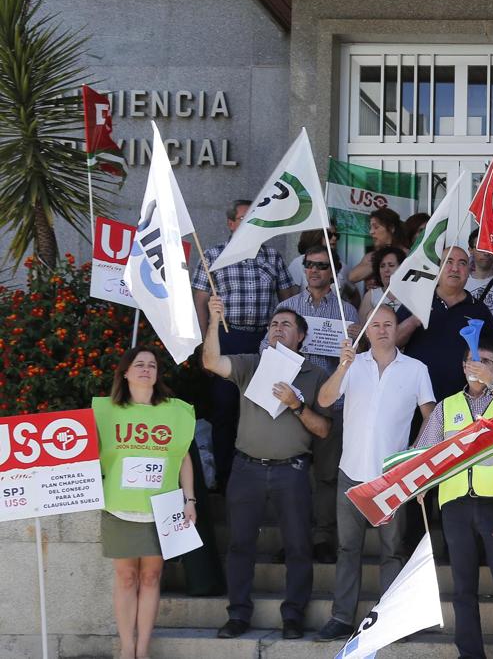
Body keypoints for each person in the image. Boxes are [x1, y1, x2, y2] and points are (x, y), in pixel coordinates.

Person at [203, 297, 332, 640]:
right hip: (247, 469)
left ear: (301, 337)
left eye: (286, 325)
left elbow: (323, 429)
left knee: (299, 547)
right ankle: (238, 614)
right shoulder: (251, 363)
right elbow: (211, 361)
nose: (277, 329)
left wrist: (296, 404)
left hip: (292, 471)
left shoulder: (315, 374)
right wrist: (214, 321)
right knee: (240, 545)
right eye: (274, 325)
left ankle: (293, 617)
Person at [312, 305, 436, 642]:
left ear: (397, 329)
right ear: (366, 331)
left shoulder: (416, 369)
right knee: (347, 549)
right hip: (350, 471)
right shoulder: (353, 365)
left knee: (392, 550)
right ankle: (341, 618)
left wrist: (413, 457)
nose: (382, 330)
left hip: (391, 477)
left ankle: (390, 618)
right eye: (376, 325)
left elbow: (431, 417)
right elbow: (324, 400)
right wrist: (342, 367)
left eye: (388, 324)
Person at [412, 340, 493, 659]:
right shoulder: (446, 406)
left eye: (486, 362)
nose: (477, 367)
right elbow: (422, 453)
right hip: (455, 505)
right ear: (463, 366)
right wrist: (419, 483)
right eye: (471, 361)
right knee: (463, 590)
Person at [94, 347, 198, 659]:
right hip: (118, 506)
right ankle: (127, 650)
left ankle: (143, 650)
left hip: (162, 507)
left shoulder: (176, 411)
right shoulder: (105, 411)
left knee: (152, 577)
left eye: (151, 365)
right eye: (138, 364)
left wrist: (189, 499)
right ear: (125, 373)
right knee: (126, 578)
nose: (145, 369)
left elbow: (183, 459)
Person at [191, 199, 299, 487]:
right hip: (227, 336)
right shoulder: (212, 255)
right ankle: (225, 478)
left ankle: (262, 477)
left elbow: (290, 299)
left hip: (264, 341)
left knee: (261, 407)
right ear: (231, 223)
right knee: (225, 408)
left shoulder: (273, 258)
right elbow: (200, 302)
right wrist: (205, 343)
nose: (250, 222)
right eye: (243, 218)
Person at [264, 245, 361, 564]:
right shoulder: (287, 307)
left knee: (327, 474)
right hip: (291, 398)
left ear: (333, 271)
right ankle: (291, 538)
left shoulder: (348, 312)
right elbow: (266, 349)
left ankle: (322, 538)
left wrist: (356, 340)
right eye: (309, 265)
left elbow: (357, 361)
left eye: (322, 266)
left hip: (334, 402)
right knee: (292, 473)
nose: (315, 270)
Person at [404, 245, 493, 401]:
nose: (455, 268)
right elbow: (393, 341)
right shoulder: (417, 300)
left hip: (461, 400)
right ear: (437, 269)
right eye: (448, 262)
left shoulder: (480, 311)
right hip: (415, 397)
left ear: (469, 271)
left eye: (462, 263)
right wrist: (414, 320)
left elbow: (491, 356)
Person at [357, 246, 415, 341]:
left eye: (391, 265)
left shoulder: (412, 295)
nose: (386, 270)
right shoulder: (371, 295)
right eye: (382, 266)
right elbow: (362, 331)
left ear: (402, 268)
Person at [346, 207, 407, 285]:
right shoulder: (371, 256)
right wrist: (379, 259)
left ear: (391, 228)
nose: (371, 232)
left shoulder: (408, 254)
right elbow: (352, 277)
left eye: (376, 227)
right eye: (370, 228)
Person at [286, 226, 343, 291]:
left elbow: (351, 292)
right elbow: (291, 297)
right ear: (316, 236)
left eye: (336, 235)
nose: (334, 238)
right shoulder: (298, 263)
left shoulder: (340, 264)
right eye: (329, 235)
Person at [465, 228, 493, 317]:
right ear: (470, 250)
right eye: (480, 247)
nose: (486, 253)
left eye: (489, 247)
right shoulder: (461, 282)